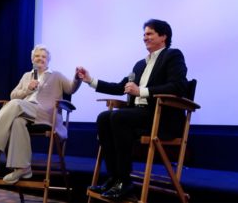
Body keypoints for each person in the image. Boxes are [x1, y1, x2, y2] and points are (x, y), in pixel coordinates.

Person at [77, 19, 188, 200]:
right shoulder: (140, 64)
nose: (145, 38)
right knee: (104, 117)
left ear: (163, 36)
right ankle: (115, 178)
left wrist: (141, 91)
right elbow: (120, 87)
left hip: (160, 117)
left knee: (119, 118)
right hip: (138, 116)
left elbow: (178, 86)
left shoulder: (173, 56)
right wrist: (90, 80)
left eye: (150, 33)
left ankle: (125, 181)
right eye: (144, 34)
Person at [0, 44, 82, 184]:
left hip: (46, 114)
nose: (40, 58)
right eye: (37, 56)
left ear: (48, 60)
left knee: (15, 104)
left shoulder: (56, 75)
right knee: (17, 121)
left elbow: (71, 88)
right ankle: (23, 168)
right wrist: (27, 89)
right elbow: (13, 95)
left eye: (44, 56)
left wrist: (77, 78)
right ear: (32, 59)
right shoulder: (27, 76)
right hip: (27, 112)